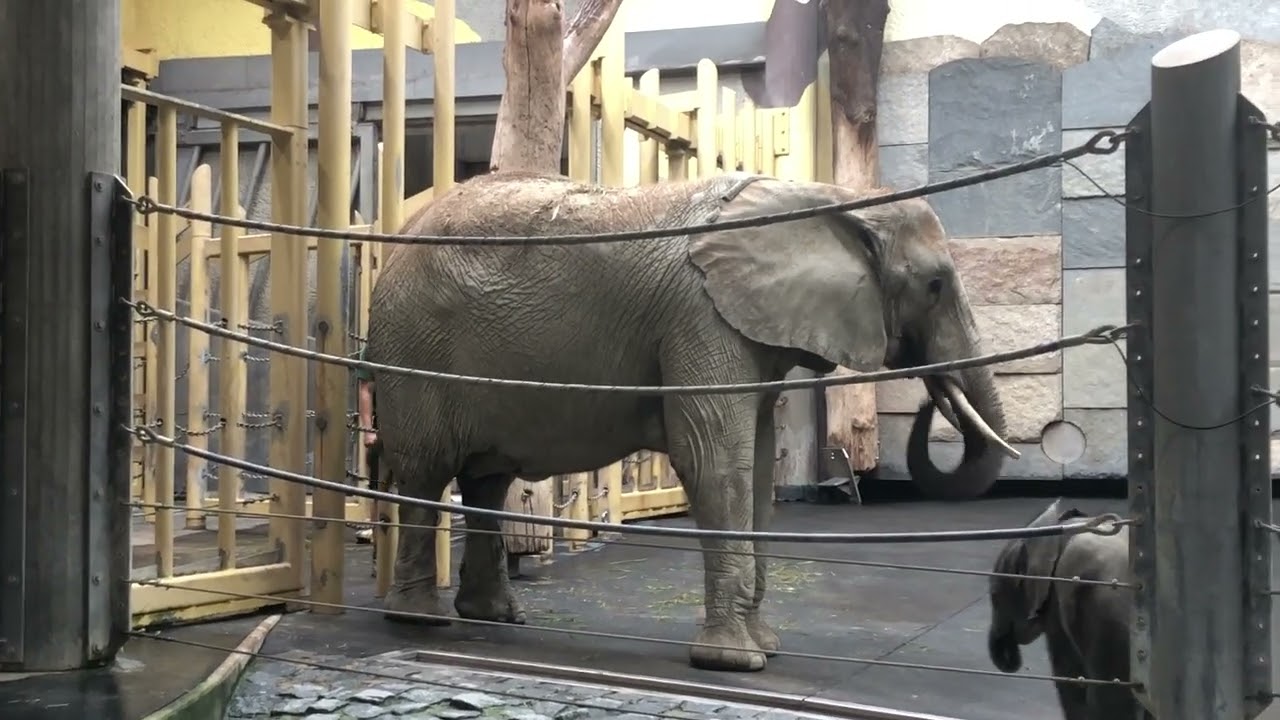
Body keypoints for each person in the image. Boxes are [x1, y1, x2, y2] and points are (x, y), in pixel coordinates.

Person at [354, 344, 379, 544]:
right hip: (383, 421)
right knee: (377, 477)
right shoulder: (372, 348)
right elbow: (366, 389)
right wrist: (368, 429)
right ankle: (376, 526)